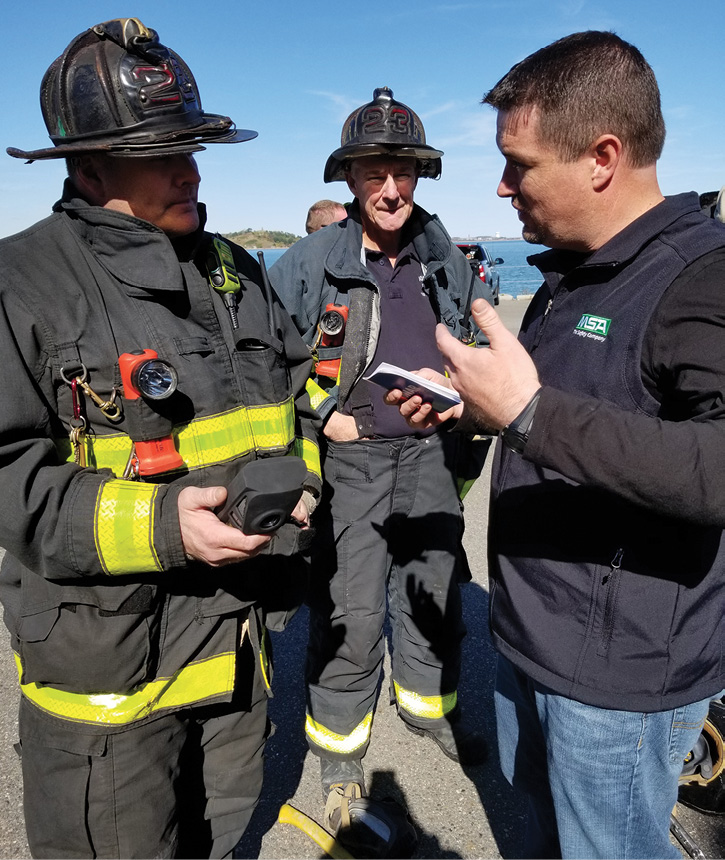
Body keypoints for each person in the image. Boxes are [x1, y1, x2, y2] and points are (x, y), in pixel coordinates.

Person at [387, 31, 725, 859]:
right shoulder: (572, 271)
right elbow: (562, 409)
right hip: (529, 634)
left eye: (519, 164)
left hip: (618, 679)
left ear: (602, 156)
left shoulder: (700, 278)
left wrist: (529, 413)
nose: (500, 187)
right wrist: (474, 411)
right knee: (539, 833)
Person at [0, 18, 321, 859]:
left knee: (222, 832)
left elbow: (293, 402)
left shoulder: (234, 271)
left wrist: (311, 477)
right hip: (109, 675)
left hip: (236, 651)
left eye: (194, 146)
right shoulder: (19, 284)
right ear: (89, 164)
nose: (190, 169)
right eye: (160, 152)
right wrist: (159, 525)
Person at [268, 86, 492, 819]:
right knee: (352, 614)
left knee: (432, 595)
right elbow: (264, 365)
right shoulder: (304, 264)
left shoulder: (444, 258)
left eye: (402, 172)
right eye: (373, 172)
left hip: (429, 457)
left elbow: (483, 345)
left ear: (419, 175)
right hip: (352, 463)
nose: (390, 188)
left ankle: (428, 711)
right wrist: (318, 415)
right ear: (348, 179)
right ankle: (340, 758)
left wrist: (457, 377)